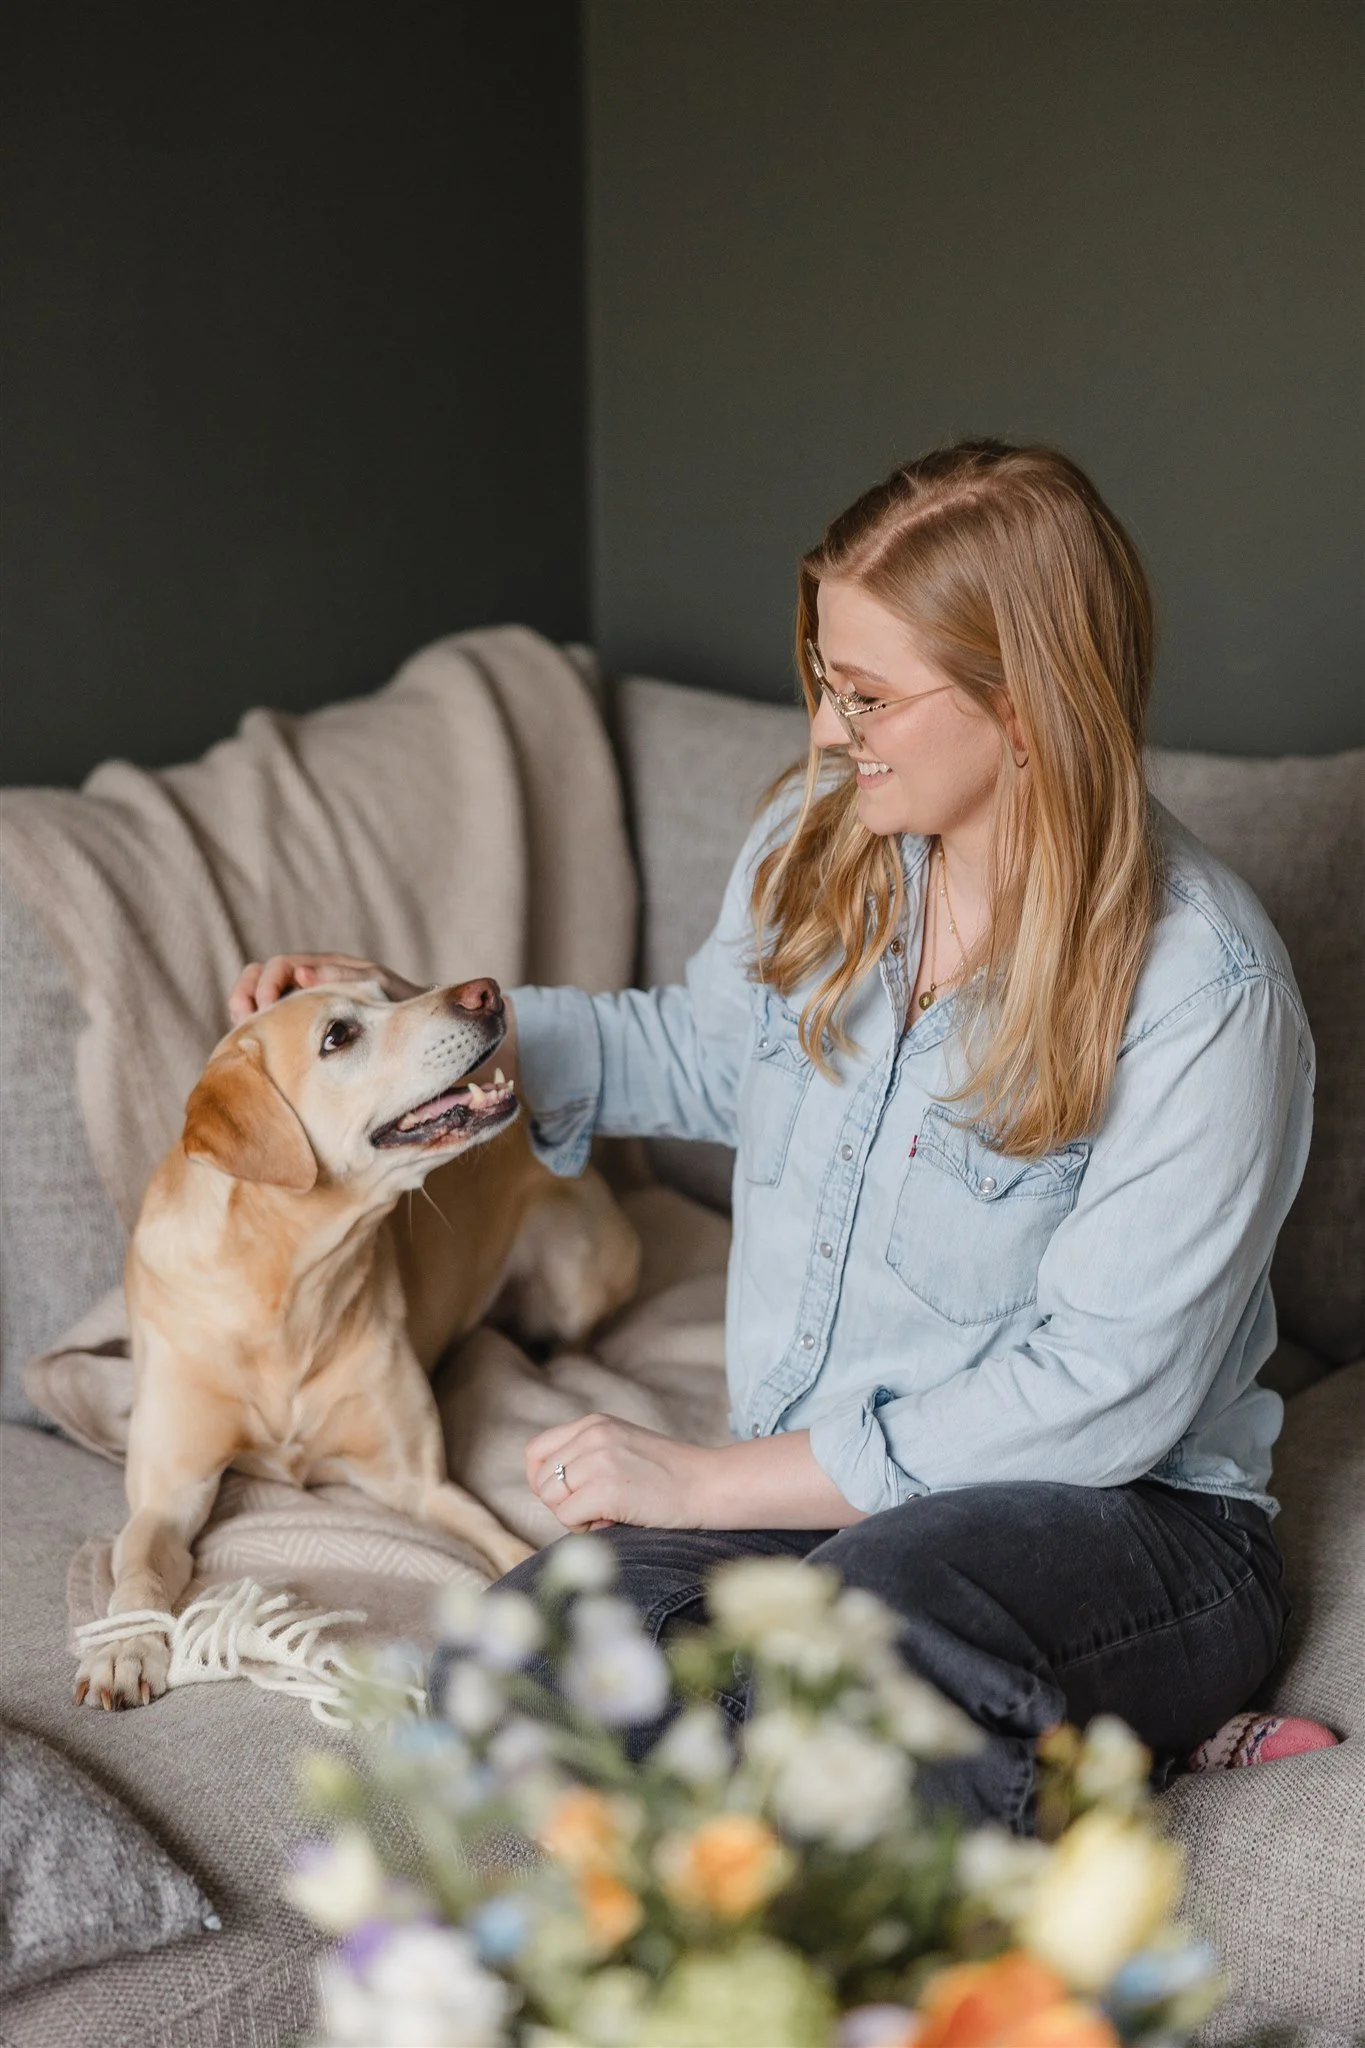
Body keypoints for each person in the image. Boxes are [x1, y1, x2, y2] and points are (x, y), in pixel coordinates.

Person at [230, 438, 1312, 1831]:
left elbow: (1106, 1388)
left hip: (1136, 1522)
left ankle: (1020, 1729)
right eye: (821, 681)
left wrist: (698, 1479)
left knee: (864, 1639)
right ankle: (1050, 1750)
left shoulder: (1205, 991)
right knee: (517, 1668)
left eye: (864, 697)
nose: (821, 732)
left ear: (1029, 705)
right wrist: (413, 1032)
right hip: (834, 1507)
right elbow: (705, 1053)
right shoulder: (827, 838)